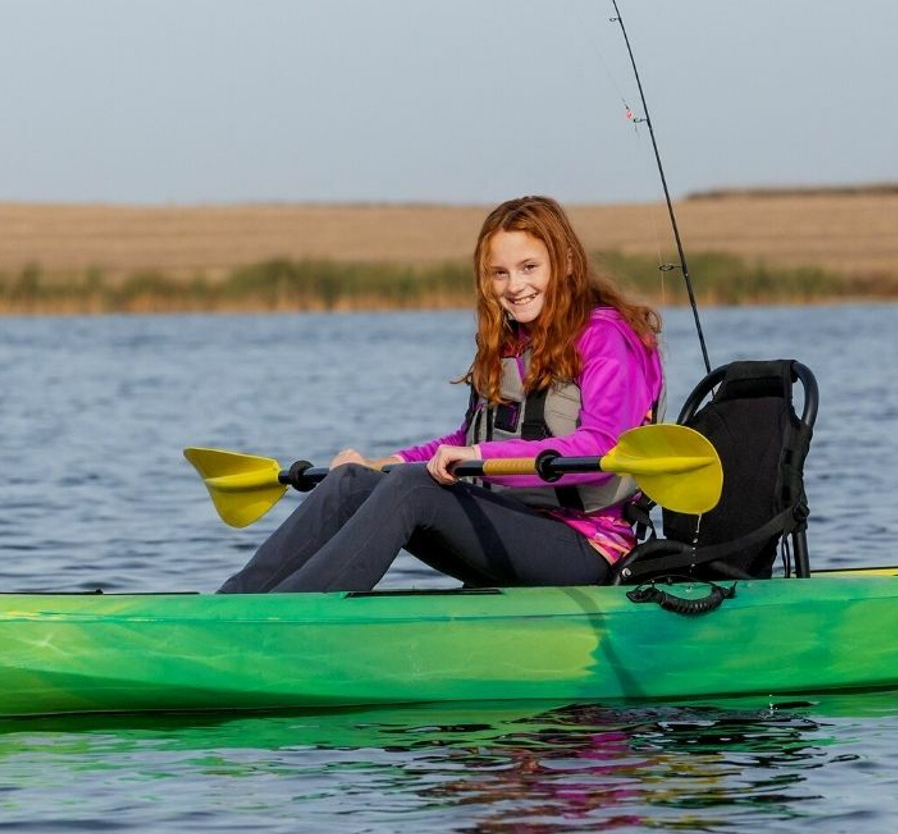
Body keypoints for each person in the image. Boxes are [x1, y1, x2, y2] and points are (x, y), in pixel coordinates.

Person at [217, 195, 663, 594]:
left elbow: (605, 445)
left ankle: (283, 623)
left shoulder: (608, 338)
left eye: (530, 268)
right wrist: (380, 465)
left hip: (587, 546)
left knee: (415, 490)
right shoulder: (510, 343)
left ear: (564, 262)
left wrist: (478, 455)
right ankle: (229, 610)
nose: (514, 286)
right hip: (512, 527)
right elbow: (462, 439)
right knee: (352, 482)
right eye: (499, 273)